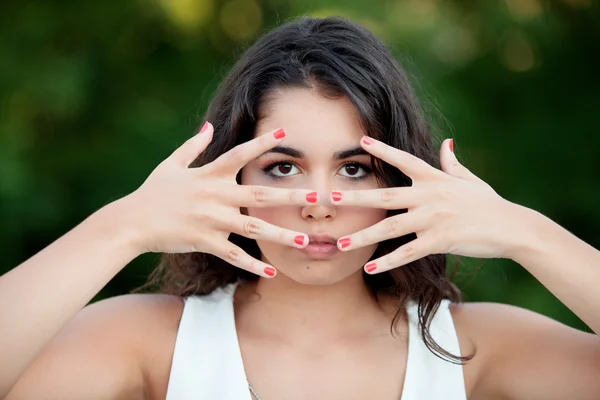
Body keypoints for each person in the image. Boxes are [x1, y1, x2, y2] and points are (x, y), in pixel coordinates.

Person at [1, 15, 599, 400]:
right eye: (283, 167)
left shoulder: (473, 348)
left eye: (353, 169)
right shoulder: (150, 340)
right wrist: (123, 226)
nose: (318, 205)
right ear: (231, 171)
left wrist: (527, 233)